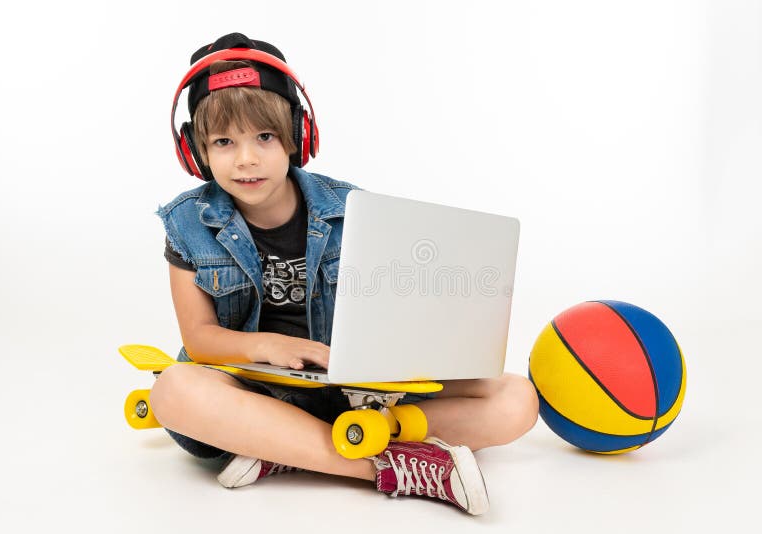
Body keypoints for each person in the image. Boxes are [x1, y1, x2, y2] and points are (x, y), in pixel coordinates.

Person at [150, 32, 539, 516]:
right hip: (250, 393)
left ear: (298, 135)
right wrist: (267, 346)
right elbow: (200, 338)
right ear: (195, 150)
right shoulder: (187, 222)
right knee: (173, 389)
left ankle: (283, 453)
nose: (246, 158)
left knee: (515, 397)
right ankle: (394, 467)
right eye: (224, 142)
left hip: (350, 398)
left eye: (264, 137)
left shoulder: (351, 207)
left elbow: (395, 309)